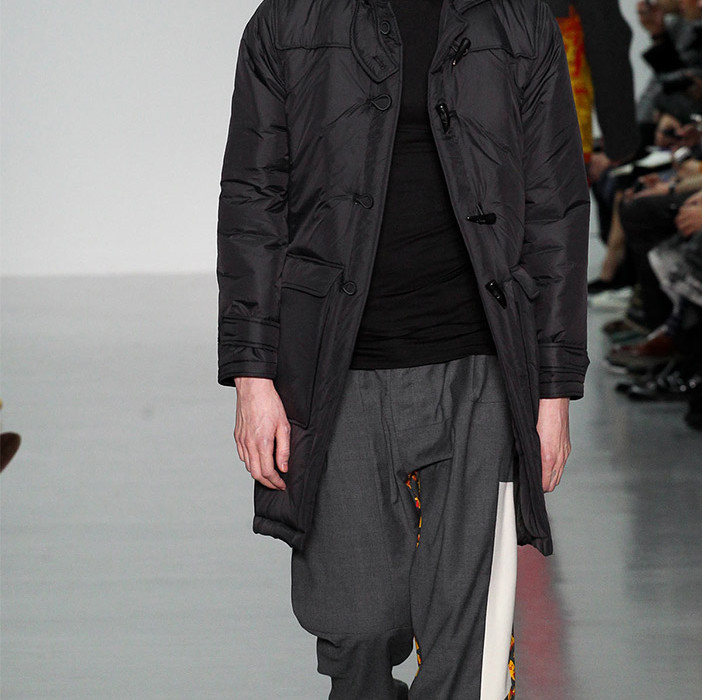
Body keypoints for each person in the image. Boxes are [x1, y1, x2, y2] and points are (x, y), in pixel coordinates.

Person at [216, 0, 589, 697]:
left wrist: (554, 388)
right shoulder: (290, 20)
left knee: (465, 636)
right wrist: (252, 376)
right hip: (336, 365)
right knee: (357, 623)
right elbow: (251, 202)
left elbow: (555, 206)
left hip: (482, 359)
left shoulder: (516, 19)